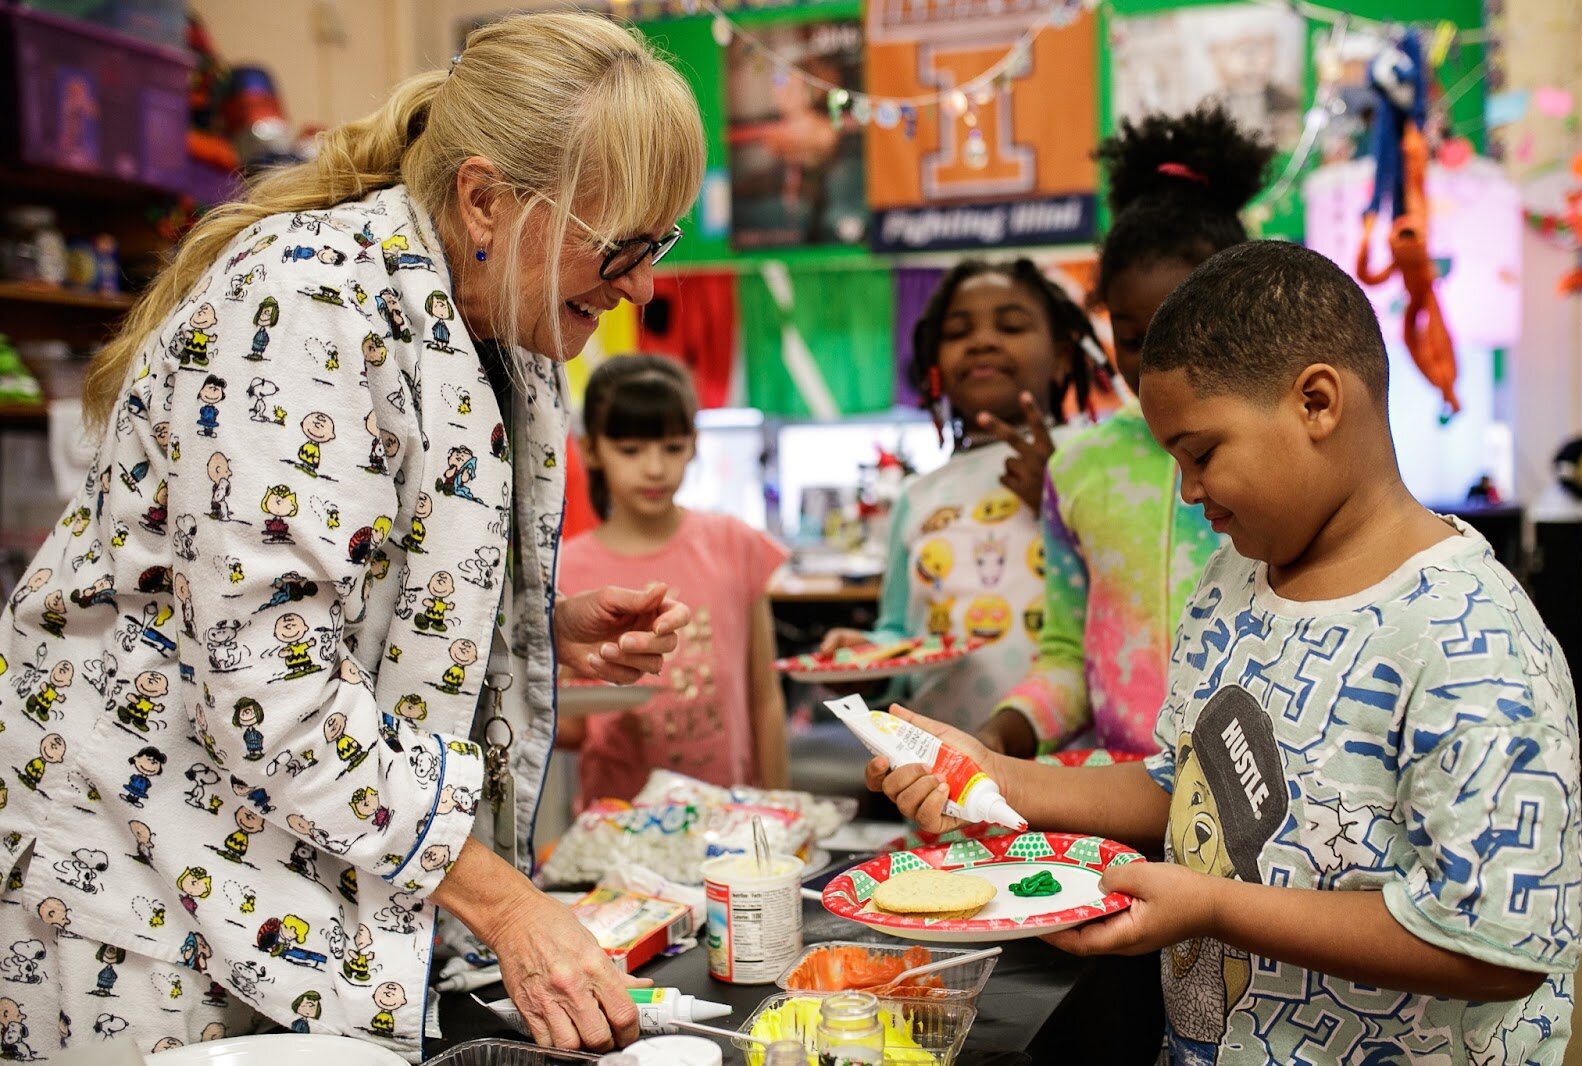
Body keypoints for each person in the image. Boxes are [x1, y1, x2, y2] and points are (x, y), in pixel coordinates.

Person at [0, 12, 706, 1060]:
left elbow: (342, 579)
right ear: (483, 198)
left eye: (663, 243)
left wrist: (533, 626)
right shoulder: (301, 303)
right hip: (142, 889)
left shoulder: (491, 318)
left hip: (271, 866)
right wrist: (506, 905)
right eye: (622, 248)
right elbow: (272, 690)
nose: (645, 286)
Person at [869, 242, 1582, 1064]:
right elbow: (1179, 783)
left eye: (1202, 453)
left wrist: (1211, 907)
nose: (1188, 491)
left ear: (1317, 402)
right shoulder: (1234, 579)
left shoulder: (1474, 639)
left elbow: (1493, 947)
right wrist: (998, 777)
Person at [978, 105, 1273, 758]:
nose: (1162, 358)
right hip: (1117, 800)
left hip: (1259, 813)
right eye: (1135, 337)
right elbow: (1065, 658)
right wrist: (1000, 735)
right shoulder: (1080, 470)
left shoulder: (1281, 463)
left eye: (1187, 324)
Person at [819, 259, 1108, 730]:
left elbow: (1137, 600)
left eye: (1011, 325)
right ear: (936, 369)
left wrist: (1059, 505)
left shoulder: (1095, 459)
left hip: (1075, 766)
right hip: (940, 768)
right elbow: (900, 631)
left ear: (1060, 358)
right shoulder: (919, 496)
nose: (982, 340)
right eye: (957, 333)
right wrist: (870, 659)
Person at [557, 355, 789, 806]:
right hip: (620, 823)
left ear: (694, 444)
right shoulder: (566, 567)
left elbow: (765, 696)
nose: (654, 468)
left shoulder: (733, 542)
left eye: (672, 447)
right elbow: (566, 723)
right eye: (630, 450)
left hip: (731, 810)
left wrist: (778, 805)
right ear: (591, 450)